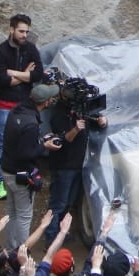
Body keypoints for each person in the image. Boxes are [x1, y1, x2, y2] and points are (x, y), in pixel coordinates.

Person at [1, 82, 64, 250]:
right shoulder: (30, 123)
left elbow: (20, 143)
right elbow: (26, 153)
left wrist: (41, 140)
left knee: (12, 212)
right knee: (24, 216)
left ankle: (10, 249)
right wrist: (45, 146)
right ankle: (21, 253)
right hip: (20, 174)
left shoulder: (17, 110)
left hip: (7, 168)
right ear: (45, 102)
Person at [0, 14, 44, 200]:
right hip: (5, 103)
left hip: (24, 104)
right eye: (21, 31)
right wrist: (24, 74)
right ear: (11, 29)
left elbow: (37, 75)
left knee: (27, 141)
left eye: (27, 31)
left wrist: (14, 73)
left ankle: (24, 175)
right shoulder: (0, 51)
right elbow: (2, 80)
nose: (24, 35)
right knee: (3, 142)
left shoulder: (30, 48)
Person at [43, 81, 108, 225]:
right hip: (63, 166)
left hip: (78, 164)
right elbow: (64, 140)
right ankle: (50, 238)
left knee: (69, 203)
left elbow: (97, 117)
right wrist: (76, 129)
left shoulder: (82, 110)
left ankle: (61, 233)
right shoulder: (58, 114)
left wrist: (103, 121)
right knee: (58, 204)